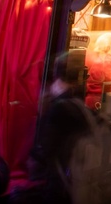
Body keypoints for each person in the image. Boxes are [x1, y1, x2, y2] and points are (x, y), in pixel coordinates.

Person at [28, 52, 91, 204]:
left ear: (56, 73)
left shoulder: (59, 105)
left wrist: (35, 159)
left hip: (59, 180)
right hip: (74, 176)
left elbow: (47, 146)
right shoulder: (78, 103)